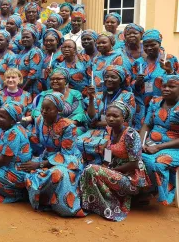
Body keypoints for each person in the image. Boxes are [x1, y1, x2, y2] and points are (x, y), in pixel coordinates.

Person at [80, 100, 149, 221]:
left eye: (115, 116)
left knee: (91, 169)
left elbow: (135, 163)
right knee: (90, 170)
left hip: (131, 179)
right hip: (117, 172)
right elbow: (109, 151)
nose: (111, 118)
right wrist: (105, 165)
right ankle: (94, 204)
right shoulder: (111, 131)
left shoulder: (131, 134)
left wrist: (111, 170)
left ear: (124, 118)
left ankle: (97, 206)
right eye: (108, 115)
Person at [24, 92, 84, 217]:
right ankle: (44, 201)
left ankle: (63, 207)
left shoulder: (68, 126)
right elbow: (37, 140)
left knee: (57, 174)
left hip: (67, 160)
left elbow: (67, 152)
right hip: (47, 156)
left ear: (57, 110)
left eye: (48, 109)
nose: (44, 112)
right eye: (42, 108)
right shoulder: (40, 120)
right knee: (26, 170)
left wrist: (40, 164)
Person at [77, 65, 136, 165]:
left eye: (113, 77)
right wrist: (91, 98)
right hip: (96, 131)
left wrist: (98, 123)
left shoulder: (127, 96)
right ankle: (86, 169)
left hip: (116, 132)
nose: (109, 79)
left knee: (107, 146)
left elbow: (125, 121)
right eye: (107, 76)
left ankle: (107, 167)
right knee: (79, 142)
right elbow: (91, 119)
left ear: (120, 79)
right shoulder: (98, 95)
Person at [141, 75, 179, 206]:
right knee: (132, 155)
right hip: (151, 144)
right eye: (164, 86)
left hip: (173, 147)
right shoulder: (155, 102)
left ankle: (157, 192)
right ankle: (139, 190)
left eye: (172, 86)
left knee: (157, 162)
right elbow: (147, 125)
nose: (166, 89)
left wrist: (158, 148)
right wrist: (141, 143)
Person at [132, 29, 179, 129]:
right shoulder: (138, 62)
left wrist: (170, 71)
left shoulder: (169, 59)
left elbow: (177, 82)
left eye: (153, 44)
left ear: (159, 43)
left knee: (159, 129)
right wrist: (137, 82)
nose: (149, 48)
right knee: (143, 131)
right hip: (142, 104)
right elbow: (131, 85)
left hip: (162, 103)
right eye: (145, 45)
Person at [32, 68, 86, 135]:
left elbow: (79, 114)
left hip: (69, 125)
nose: (54, 81)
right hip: (47, 124)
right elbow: (37, 112)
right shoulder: (44, 94)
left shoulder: (75, 94)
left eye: (58, 79)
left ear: (66, 81)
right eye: (52, 79)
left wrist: (62, 125)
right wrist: (49, 125)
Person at [0, 68, 32, 147]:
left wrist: (21, 120)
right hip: (2, 125)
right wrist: (6, 123)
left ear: (19, 79)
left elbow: (30, 116)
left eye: (13, 77)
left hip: (21, 124)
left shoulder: (27, 95)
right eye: (8, 77)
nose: (10, 80)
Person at [17, 25, 45, 98]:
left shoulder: (35, 52)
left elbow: (33, 75)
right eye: (23, 37)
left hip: (31, 88)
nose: (25, 39)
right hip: (20, 86)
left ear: (34, 38)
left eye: (28, 37)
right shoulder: (21, 52)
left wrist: (22, 91)